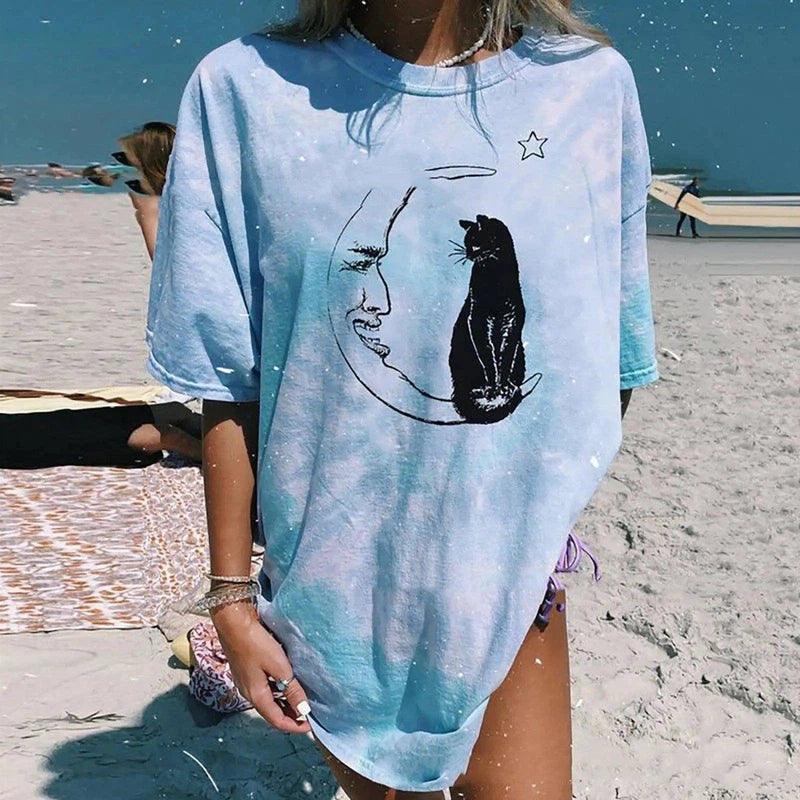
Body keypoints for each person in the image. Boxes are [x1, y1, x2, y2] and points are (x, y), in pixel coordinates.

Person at [145, 1, 658, 798]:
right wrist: (232, 600)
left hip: (506, 583)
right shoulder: (243, 91)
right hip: (339, 603)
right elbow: (227, 380)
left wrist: (522, 519)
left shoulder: (586, 90)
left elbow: (609, 357)